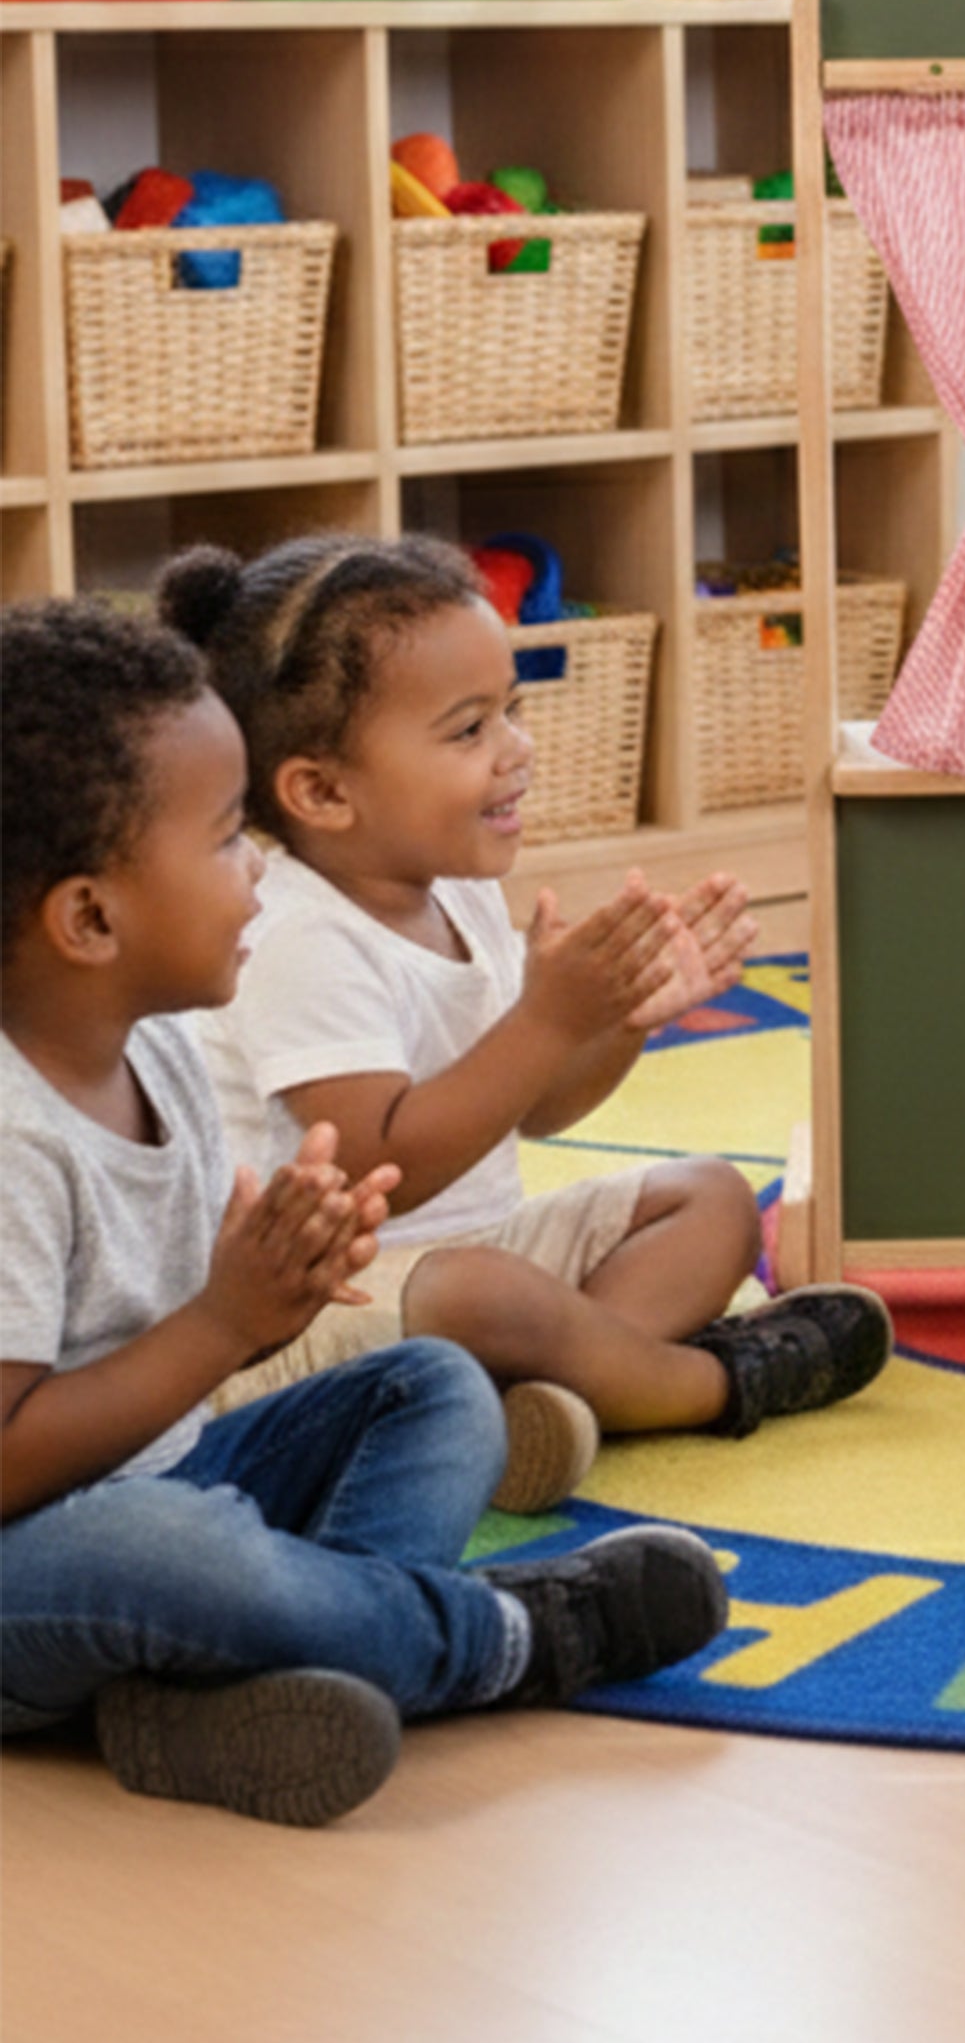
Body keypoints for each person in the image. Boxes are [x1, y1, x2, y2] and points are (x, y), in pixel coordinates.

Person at [1, 599, 730, 1827]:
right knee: (168, 1554)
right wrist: (227, 1324)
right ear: (90, 919)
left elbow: (160, 1335)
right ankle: (511, 1635)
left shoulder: (159, 1049)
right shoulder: (11, 1135)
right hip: (46, 1558)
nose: (259, 871)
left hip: (169, 1476)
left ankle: (248, 1684)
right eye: (228, 841)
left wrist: (271, 1276)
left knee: (434, 1389)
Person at [164, 536, 891, 1516]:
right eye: (469, 730)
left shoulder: (455, 890)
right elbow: (375, 1166)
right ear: (323, 792)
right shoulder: (294, 934)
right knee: (487, 1296)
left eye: (513, 709)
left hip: (481, 1259)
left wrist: (617, 1020)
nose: (518, 748)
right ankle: (711, 1383)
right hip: (312, 1311)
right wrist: (547, 1020)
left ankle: (549, 1402)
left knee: (712, 1199)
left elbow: (536, 1108)